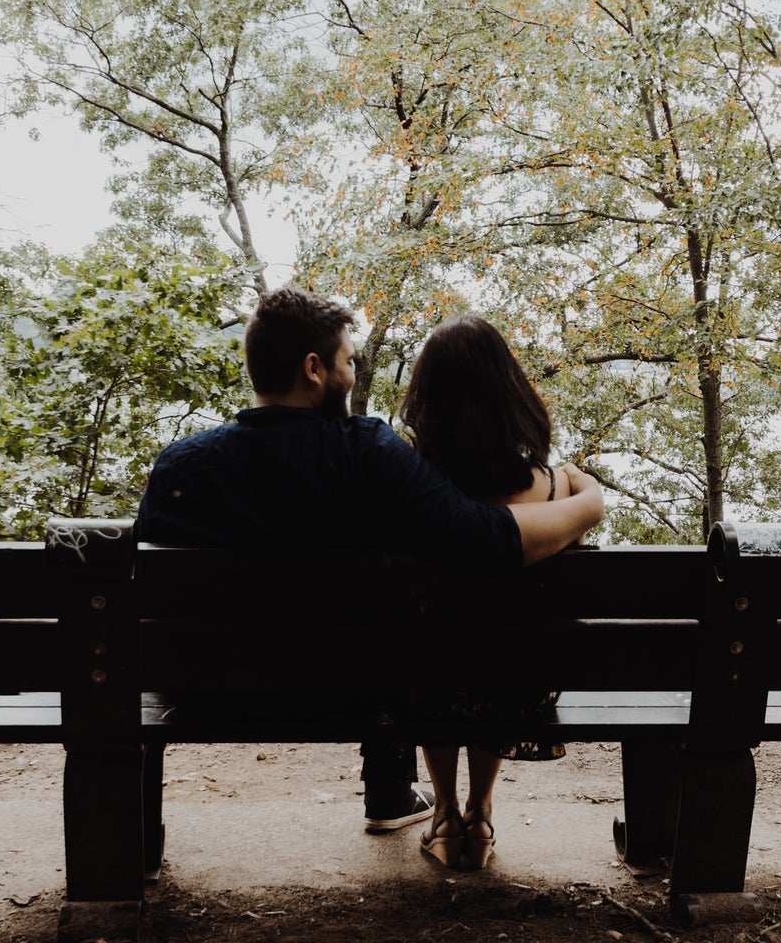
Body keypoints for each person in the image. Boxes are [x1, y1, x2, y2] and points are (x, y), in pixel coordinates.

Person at [134, 287, 603, 833]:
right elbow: (488, 539)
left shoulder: (178, 468)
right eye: (347, 361)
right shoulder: (367, 454)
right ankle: (391, 791)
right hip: (343, 694)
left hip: (197, 691)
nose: (352, 373)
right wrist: (587, 504)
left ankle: (134, 841)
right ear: (314, 369)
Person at [397, 314, 573, 870]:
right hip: (521, 686)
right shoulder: (549, 486)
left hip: (428, 682)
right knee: (499, 656)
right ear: (509, 393)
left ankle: (445, 815)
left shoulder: (411, 487)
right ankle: (481, 811)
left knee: (435, 659)